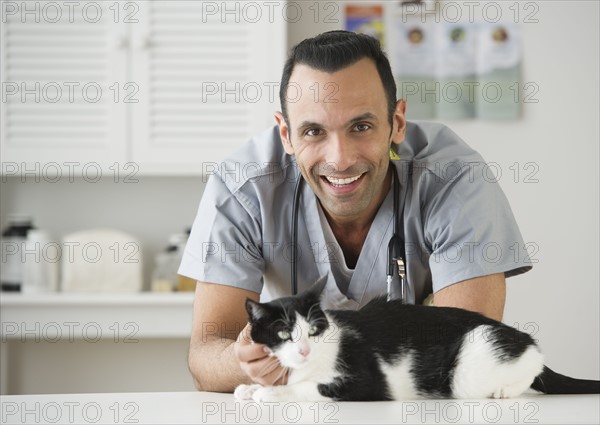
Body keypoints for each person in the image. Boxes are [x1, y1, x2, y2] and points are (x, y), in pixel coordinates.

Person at [179, 31, 532, 393]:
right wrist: (246, 363)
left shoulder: (457, 182)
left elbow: (461, 350)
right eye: (314, 131)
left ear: (397, 122)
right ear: (285, 134)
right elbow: (206, 358)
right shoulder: (242, 188)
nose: (340, 159)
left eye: (361, 127)